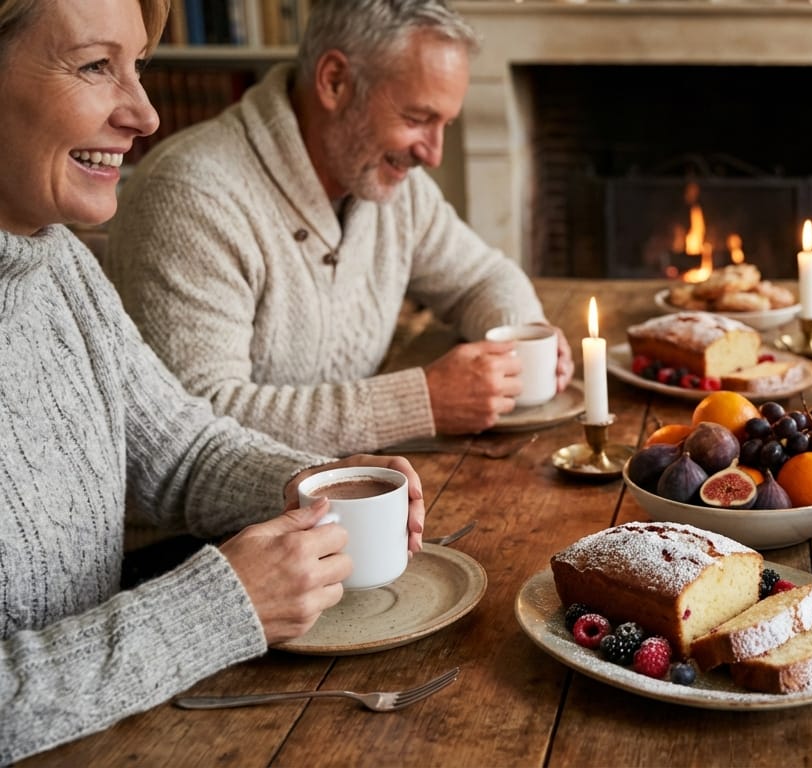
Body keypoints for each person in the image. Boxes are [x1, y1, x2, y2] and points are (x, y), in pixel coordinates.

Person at [0, 0, 426, 760]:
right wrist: (215, 609)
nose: (145, 113)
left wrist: (313, 484)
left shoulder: (57, 260)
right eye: (96, 66)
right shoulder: (187, 191)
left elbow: (183, 452)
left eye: (139, 69)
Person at [103, 0, 574, 456]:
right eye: (417, 118)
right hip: (218, 534)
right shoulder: (191, 195)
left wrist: (523, 341)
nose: (433, 154)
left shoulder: (390, 184)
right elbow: (199, 423)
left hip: (352, 494)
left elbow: (483, 278)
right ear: (335, 81)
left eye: (445, 123)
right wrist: (422, 403)